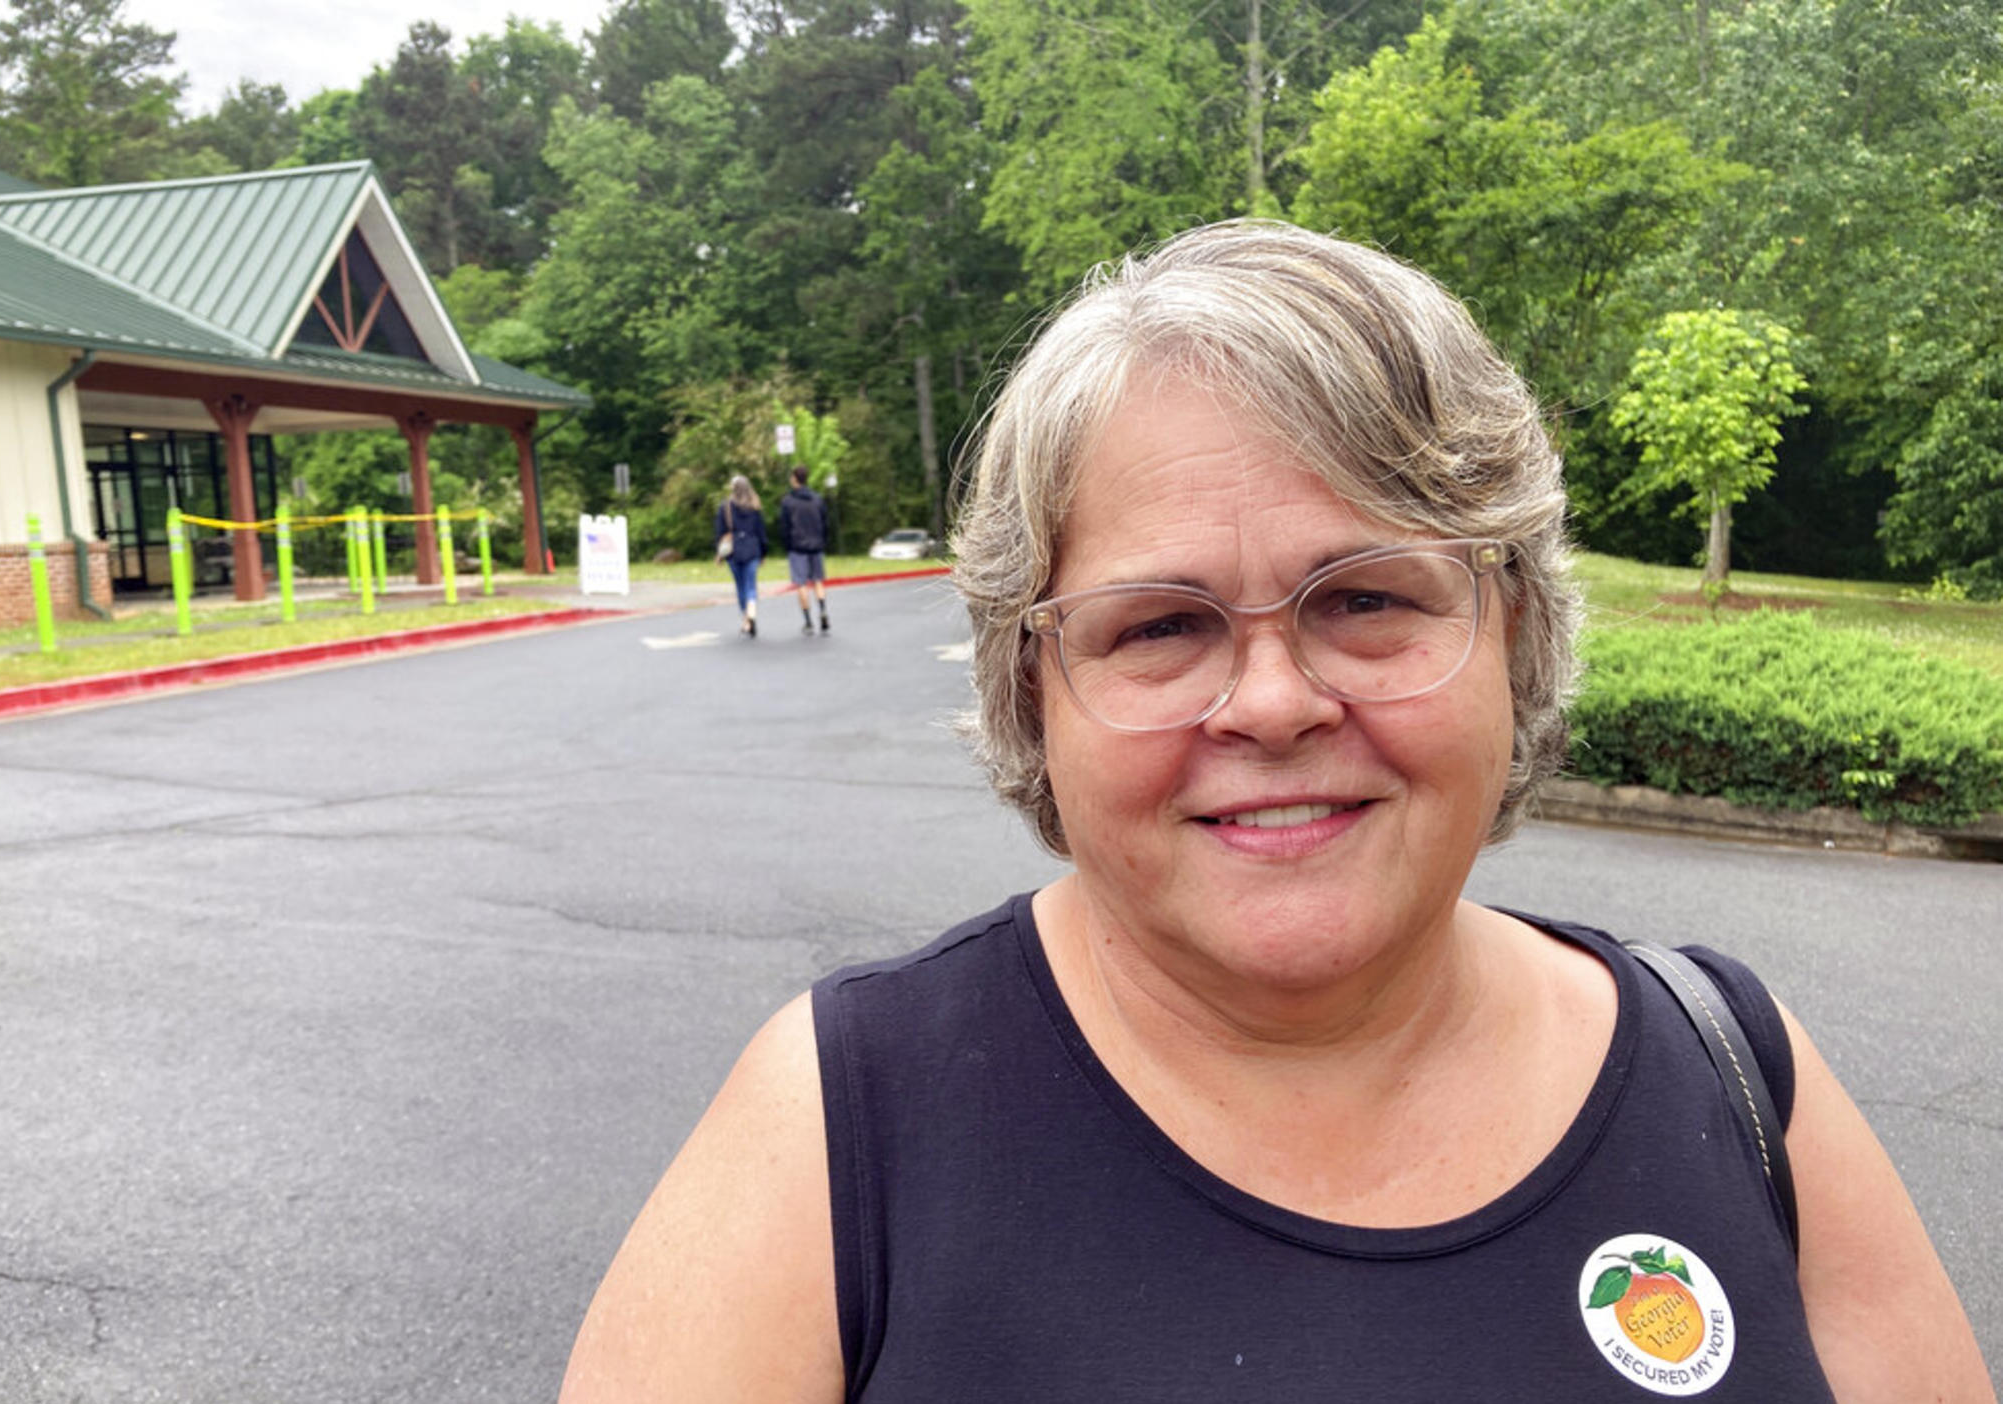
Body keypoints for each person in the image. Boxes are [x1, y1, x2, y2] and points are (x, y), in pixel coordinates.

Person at [561, 221, 1994, 1401]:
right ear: (1032, 692)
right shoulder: (836, 1128)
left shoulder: (1732, 1075)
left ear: (1512, 634)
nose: (1267, 703)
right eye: (1159, 626)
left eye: (1364, 599)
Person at [778, 465, 835, 634]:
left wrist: (787, 544)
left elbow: (785, 527)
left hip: (798, 547)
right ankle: (823, 610)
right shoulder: (817, 499)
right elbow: (825, 523)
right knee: (818, 580)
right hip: (816, 545)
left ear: (795, 479)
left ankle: (808, 621)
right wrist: (823, 540)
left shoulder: (788, 502)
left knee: (801, 583)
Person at [715, 474, 767, 638]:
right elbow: (761, 532)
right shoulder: (754, 507)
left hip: (734, 551)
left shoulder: (726, 507)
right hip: (752, 549)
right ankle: (752, 612)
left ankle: (745, 619)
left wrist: (719, 553)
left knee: (740, 586)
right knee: (751, 585)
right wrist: (763, 553)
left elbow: (720, 531)